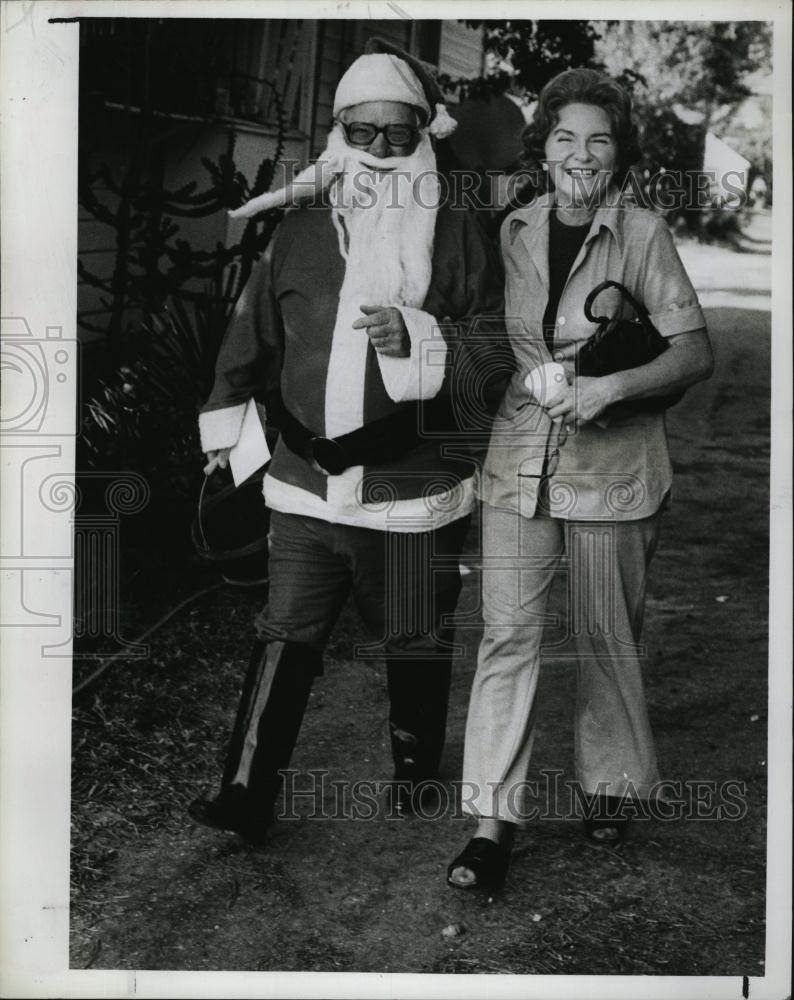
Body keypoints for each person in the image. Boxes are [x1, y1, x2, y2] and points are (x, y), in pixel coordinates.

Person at [188, 38, 508, 844]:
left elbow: (496, 345)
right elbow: (252, 332)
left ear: (424, 133)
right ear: (337, 135)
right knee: (285, 629)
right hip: (302, 477)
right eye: (358, 133)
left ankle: (412, 765)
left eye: (396, 134)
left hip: (412, 483)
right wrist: (226, 420)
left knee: (413, 630)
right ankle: (245, 789)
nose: (377, 151)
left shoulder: (462, 225)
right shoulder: (299, 229)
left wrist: (420, 335)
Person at [447, 68, 714, 891]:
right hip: (521, 459)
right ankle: (493, 822)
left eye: (598, 139)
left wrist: (608, 388)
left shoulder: (641, 233)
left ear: (617, 150)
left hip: (615, 467)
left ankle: (609, 787)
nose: (579, 154)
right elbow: (501, 334)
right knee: (508, 635)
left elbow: (694, 351)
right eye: (564, 137)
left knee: (605, 633)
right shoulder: (516, 226)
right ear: (544, 147)